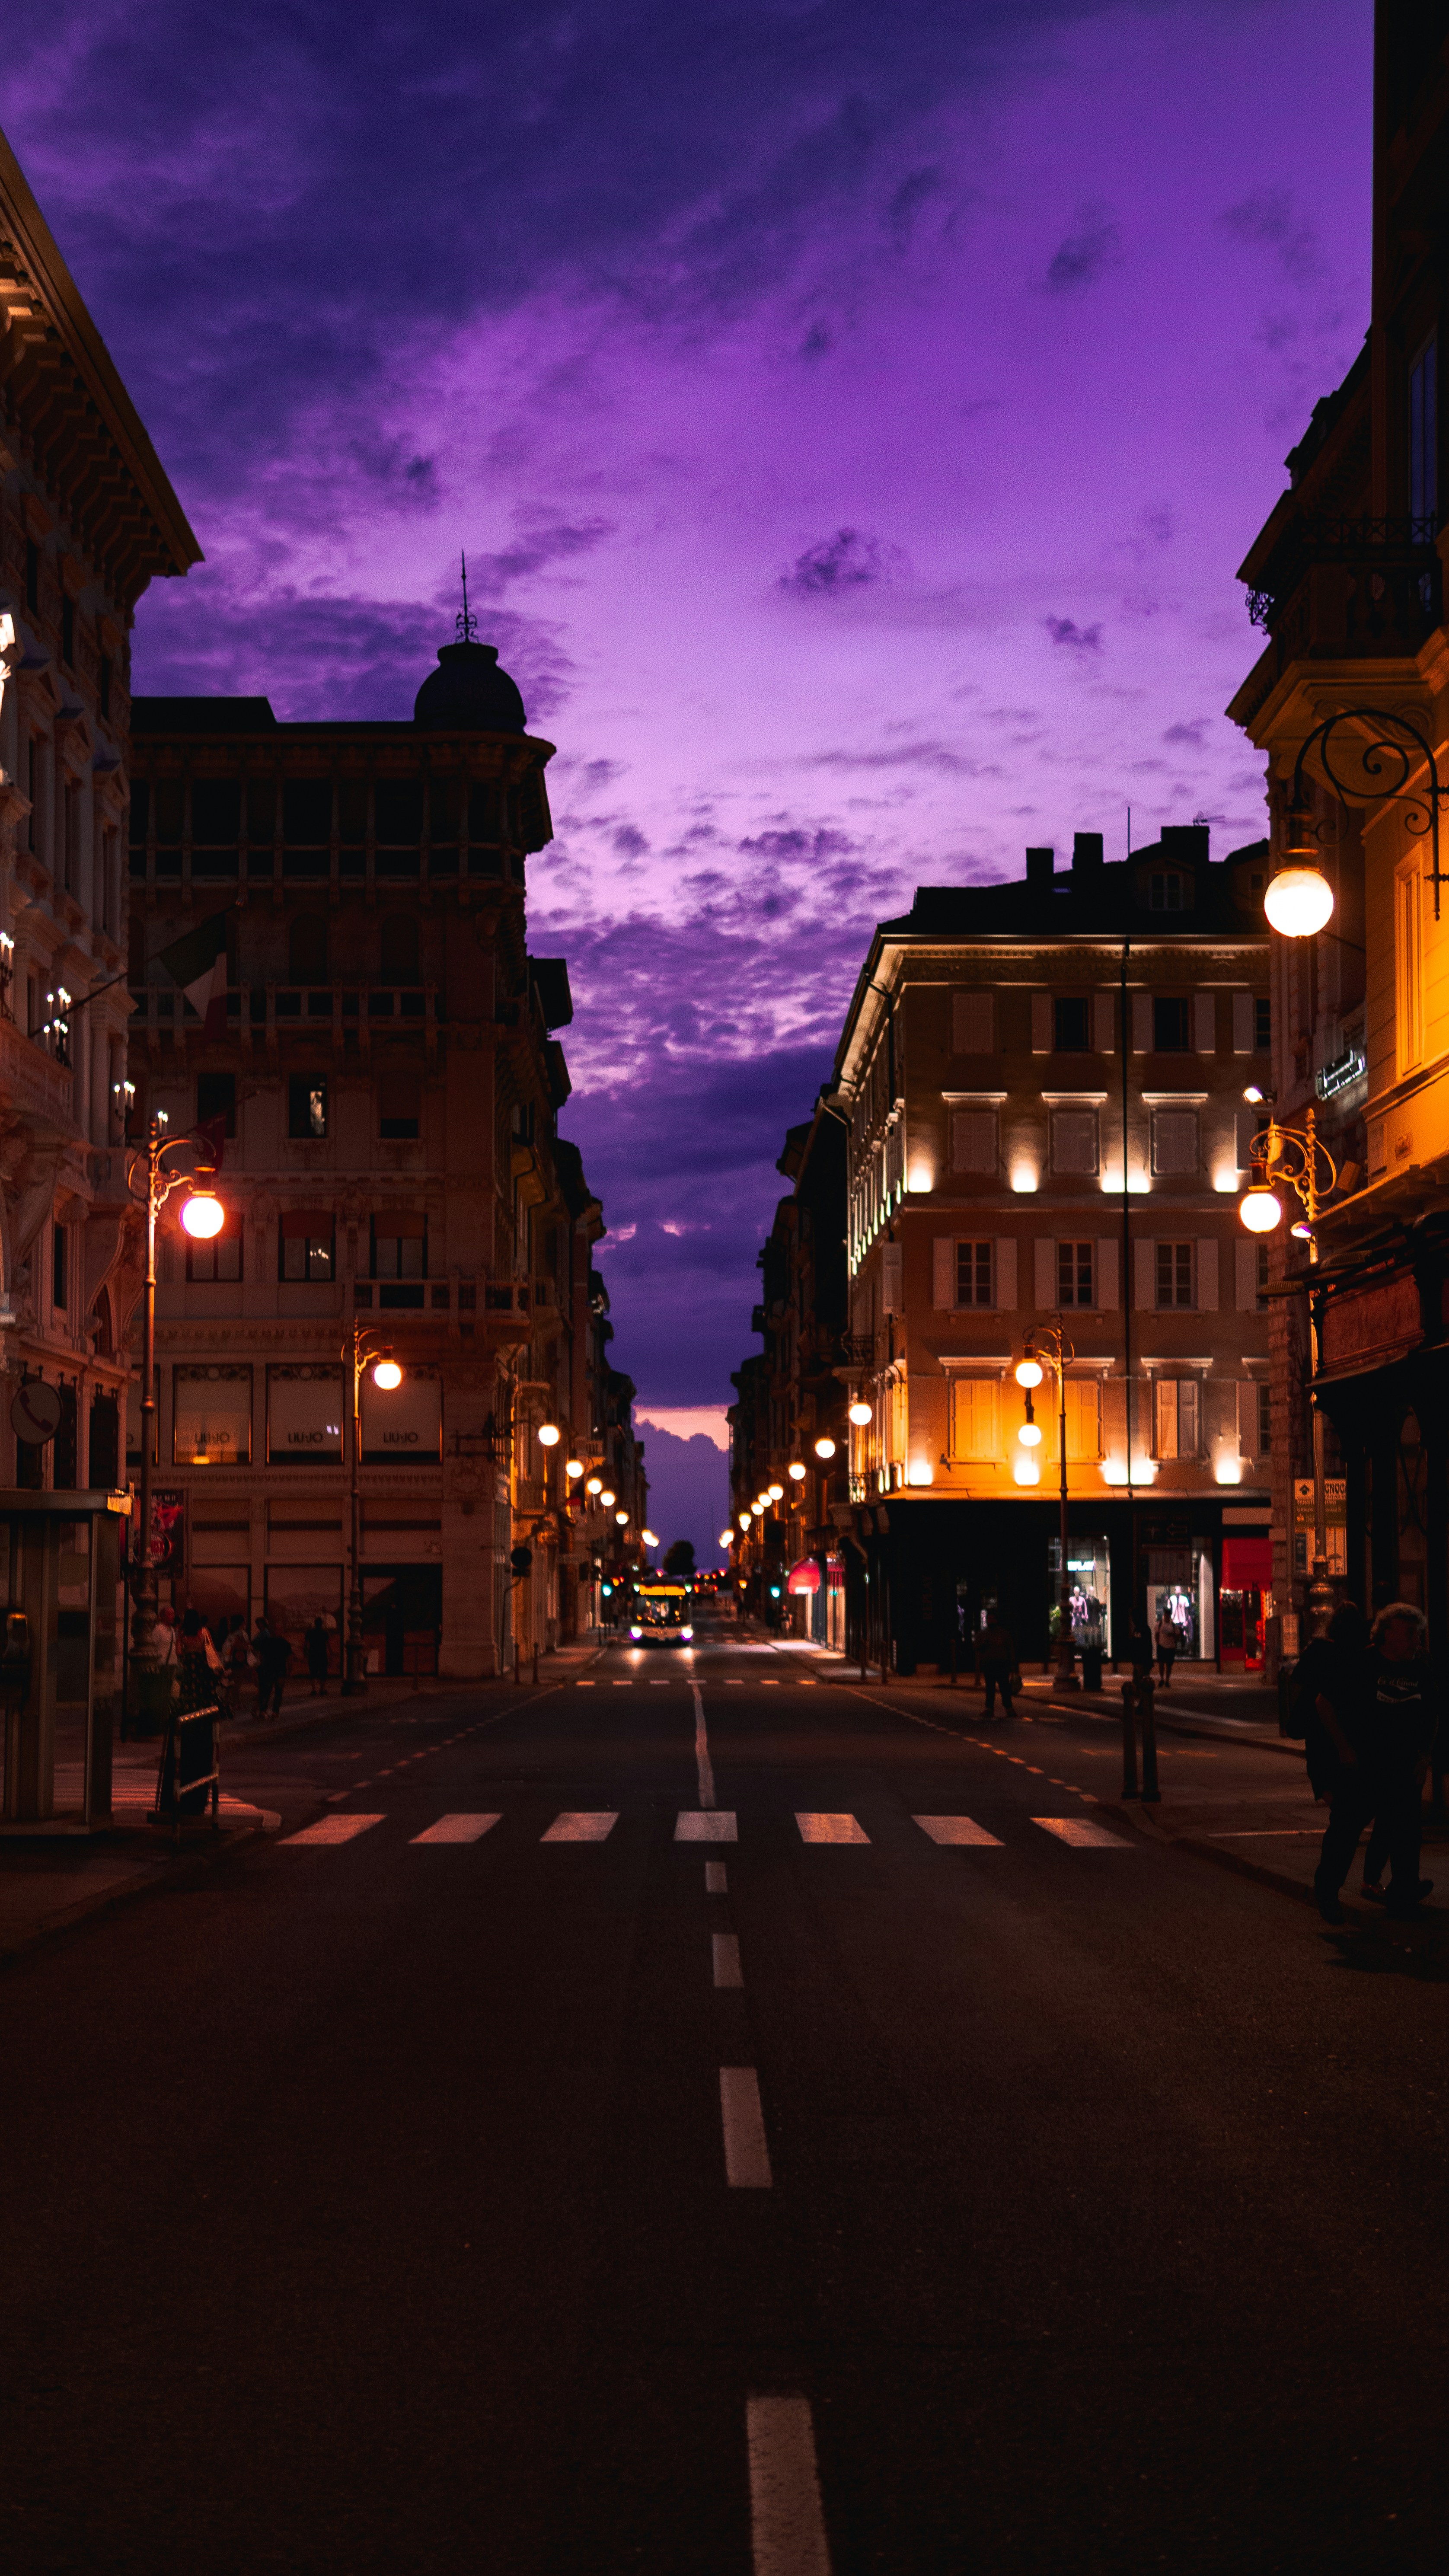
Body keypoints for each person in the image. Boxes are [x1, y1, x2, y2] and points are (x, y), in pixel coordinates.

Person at [1312, 1601, 1433, 1924]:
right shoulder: (1361, 1664)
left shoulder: (1420, 1669)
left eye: (1418, 1635)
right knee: (1346, 1831)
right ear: (1388, 1634)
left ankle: (1403, 1890)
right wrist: (1344, 1747)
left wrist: (1424, 1756)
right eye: (1410, 1634)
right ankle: (1328, 1891)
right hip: (1363, 1766)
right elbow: (1324, 1703)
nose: (1416, 1641)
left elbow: (1431, 1716)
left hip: (1403, 1766)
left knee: (1406, 1832)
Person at [978, 1611, 1016, 1721]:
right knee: (990, 1688)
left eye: (993, 1619)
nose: (991, 1622)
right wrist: (983, 1645)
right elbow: (977, 1647)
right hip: (989, 1664)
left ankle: (1009, 1708)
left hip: (1001, 1664)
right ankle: (989, 1709)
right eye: (989, 1619)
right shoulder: (983, 1634)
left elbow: (1010, 1648)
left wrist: (1012, 1663)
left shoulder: (1003, 1634)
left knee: (1004, 1687)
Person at [253, 1616, 292, 1721]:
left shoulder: (266, 1642)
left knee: (267, 1691)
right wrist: (290, 1670)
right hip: (280, 1670)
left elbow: (262, 1656)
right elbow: (289, 1658)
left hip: (269, 1670)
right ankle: (275, 1712)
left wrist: (263, 1666)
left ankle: (263, 1711)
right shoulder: (285, 1643)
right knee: (278, 1692)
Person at [305, 1614, 330, 1698]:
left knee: (313, 1672)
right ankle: (322, 1689)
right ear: (322, 1624)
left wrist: (306, 1653)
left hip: (313, 1654)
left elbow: (306, 1644)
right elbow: (328, 1644)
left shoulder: (310, 1632)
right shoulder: (325, 1632)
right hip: (322, 1654)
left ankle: (314, 1690)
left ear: (315, 1624)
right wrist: (331, 1653)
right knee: (323, 1672)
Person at [1155, 1608, 1179, 1687]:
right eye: (1166, 1615)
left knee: (1169, 1665)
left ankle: (1167, 1680)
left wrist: (1172, 1636)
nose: (1167, 1616)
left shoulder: (1173, 1625)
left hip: (1171, 1647)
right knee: (1161, 1664)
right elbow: (1157, 1634)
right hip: (1162, 1646)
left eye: (1168, 1615)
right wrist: (1158, 1643)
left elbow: (1178, 1636)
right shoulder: (1160, 1624)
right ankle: (1162, 1679)